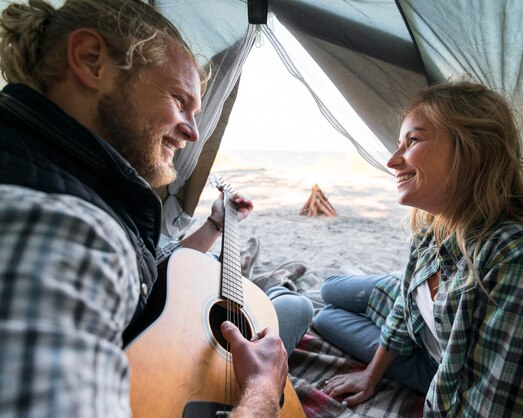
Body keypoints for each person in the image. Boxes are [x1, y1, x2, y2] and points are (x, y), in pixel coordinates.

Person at [0, 0, 311, 417]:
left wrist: (216, 224)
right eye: (179, 100)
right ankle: (275, 283)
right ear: (92, 61)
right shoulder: (67, 225)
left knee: (278, 305)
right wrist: (261, 391)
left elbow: (153, 268)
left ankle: (268, 280)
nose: (193, 131)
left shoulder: (64, 170)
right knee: (293, 309)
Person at [313, 82, 523, 417]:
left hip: (440, 368)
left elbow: (492, 405)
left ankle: (401, 290)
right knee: (328, 290)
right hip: (420, 320)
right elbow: (401, 314)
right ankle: (402, 286)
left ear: (472, 149)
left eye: (413, 141)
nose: (392, 162)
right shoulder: (433, 223)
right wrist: (370, 376)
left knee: (326, 317)